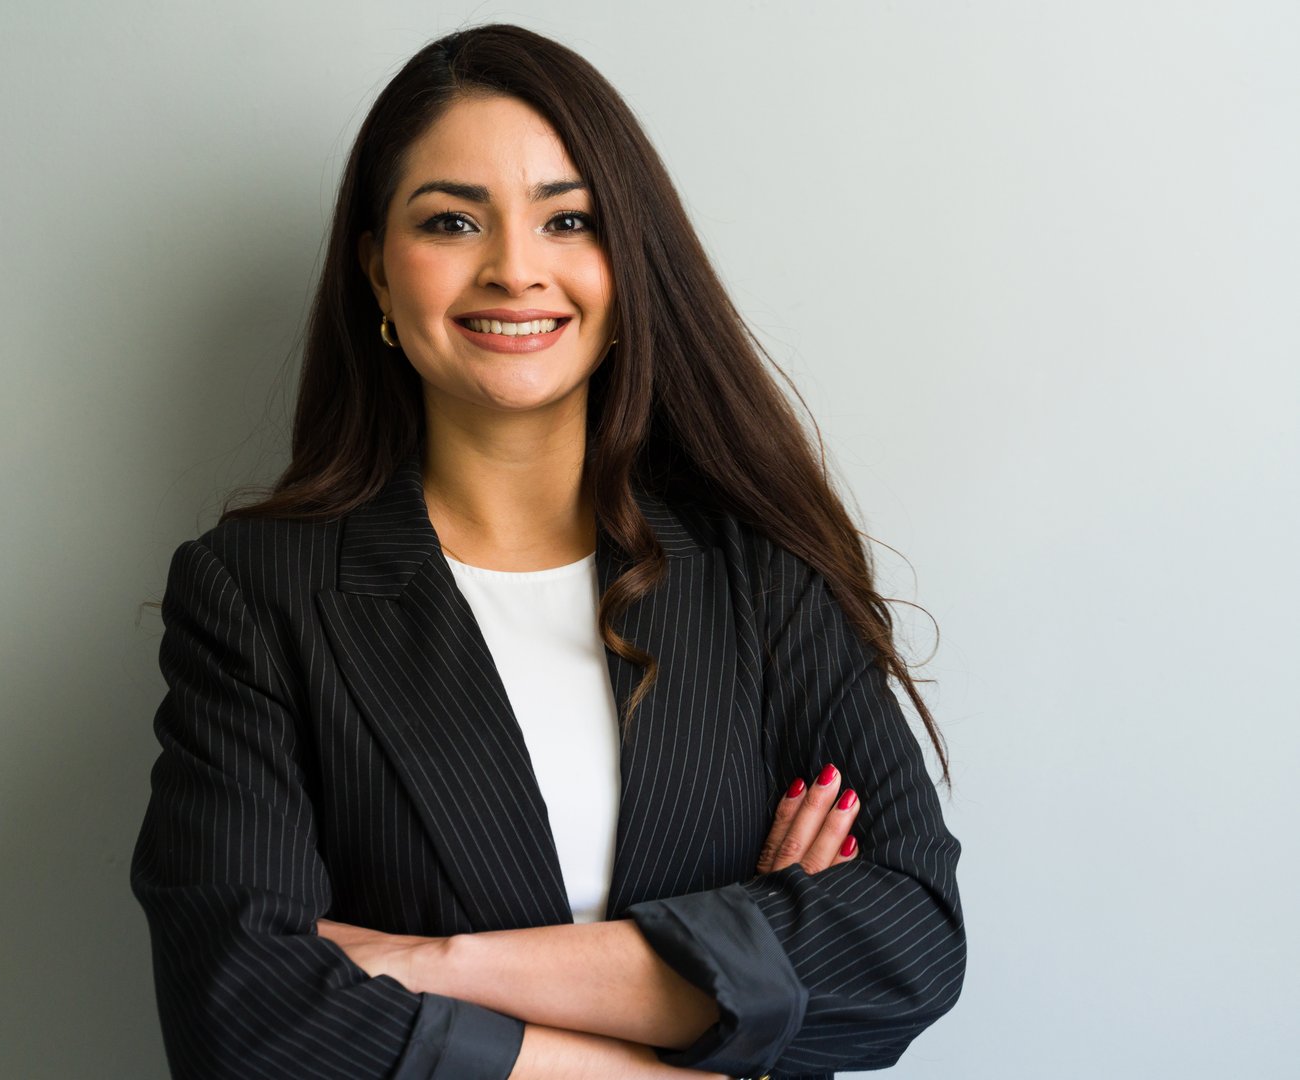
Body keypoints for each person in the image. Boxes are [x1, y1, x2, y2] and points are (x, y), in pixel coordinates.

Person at [130, 23, 965, 1080]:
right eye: (451, 222)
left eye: (567, 219)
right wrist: (722, 989)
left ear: (628, 266)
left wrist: (435, 962)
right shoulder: (256, 594)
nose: (515, 270)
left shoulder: (761, 574)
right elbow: (243, 1019)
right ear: (377, 272)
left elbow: (909, 946)